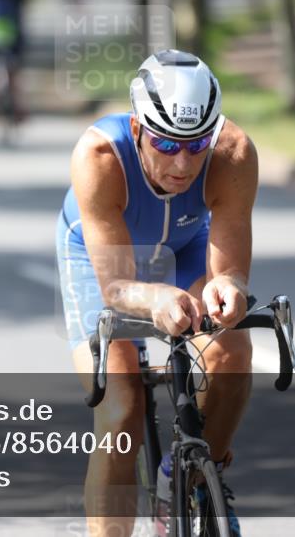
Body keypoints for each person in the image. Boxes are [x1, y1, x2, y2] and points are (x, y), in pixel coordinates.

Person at [57, 49, 257, 537]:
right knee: (122, 412)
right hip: (101, 259)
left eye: (196, 144)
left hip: (185, 246)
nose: (184, 163)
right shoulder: (99, 156)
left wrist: (228, 288)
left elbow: (227, 271)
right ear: (138, 127)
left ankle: (187, 480)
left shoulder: (233, 152)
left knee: (232, 350)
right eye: (167, 146)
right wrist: (157, 300)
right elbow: (118, 286)